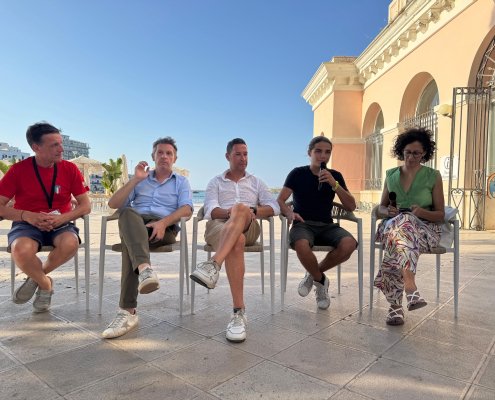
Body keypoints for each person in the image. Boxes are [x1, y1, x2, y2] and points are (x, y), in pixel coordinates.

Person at [189, 138, 279, 343]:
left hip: (250, 226)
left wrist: (251, 211)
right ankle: (239, 312)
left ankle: (213, 264)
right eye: (238, 154)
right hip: (218, 226)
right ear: (227, 156)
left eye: (245, 154)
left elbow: (274, 207)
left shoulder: (257, 182)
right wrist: (232, 212)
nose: (243, 158)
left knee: (241, 209)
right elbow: (211, 210)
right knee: (236, 239)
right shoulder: (215, 182)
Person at [102, 137, 193, 339]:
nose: (164, 156)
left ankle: (127, 312)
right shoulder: (140, 180)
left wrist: (163, 223)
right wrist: (135, 180)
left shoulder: (181, 182)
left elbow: (187, 209)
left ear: (175, 158)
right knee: (127, 213)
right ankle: (145, 269)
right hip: (137, 224)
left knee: (130, 244)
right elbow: (114, 204)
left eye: (169, 153)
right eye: (160, 152)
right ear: (153, 156)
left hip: (164, 228)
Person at [0, 122, 91, 312]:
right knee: (21, 250)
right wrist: (27, 215)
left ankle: (35, 278)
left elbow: (85, 205)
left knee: (70, 243)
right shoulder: (18, 170)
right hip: (27, 224)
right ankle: (45, 284)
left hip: (61, 224)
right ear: (36, 147)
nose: (61, 149)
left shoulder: (70, 169)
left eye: (61, 143)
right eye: (54, 145)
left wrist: (62, 218)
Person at [374, 127, 444, 326]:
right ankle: (410, 288)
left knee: (401, 231)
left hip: (424, 229)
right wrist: (388, 211)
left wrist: (421, 212)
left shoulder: (433, 176)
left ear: (424, 154)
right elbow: (380, 207)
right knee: (402, 223)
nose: (411, 157)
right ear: (401, 151)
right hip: (393, 226)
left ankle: (395, 306)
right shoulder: (391, 175)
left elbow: (440, 214)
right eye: (407, 152)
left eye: (416, 153)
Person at [277, 136, 357, 309]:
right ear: (310, 153)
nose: (323, 156)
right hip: (303, 224)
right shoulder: (297, 173)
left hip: (327, 226)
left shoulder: (335, 176)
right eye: (318, 151)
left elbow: (351, 206)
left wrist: (335, 185)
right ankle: (321, 281)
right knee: (301, 244)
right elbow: (280, 200)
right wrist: (289, 213)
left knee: (349, 244)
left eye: (327, 152)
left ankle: (313, 274)